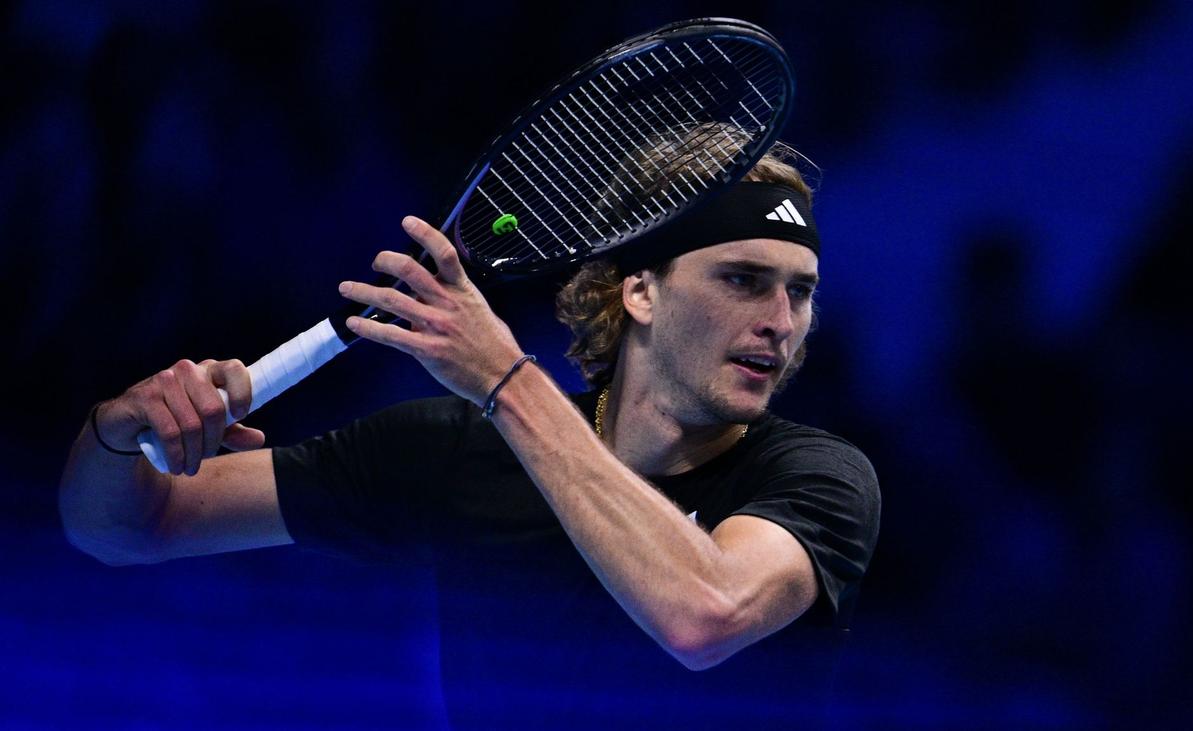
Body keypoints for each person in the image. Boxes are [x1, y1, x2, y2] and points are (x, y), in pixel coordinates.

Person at [59, 146, 880, 729]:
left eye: (800, 291)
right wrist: (117, 432)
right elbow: (130, 524)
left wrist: (503, 379)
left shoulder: (817, 477)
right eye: (743, 280)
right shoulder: (454, 452)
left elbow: (705, 614)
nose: (781, 322)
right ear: (641, 291)